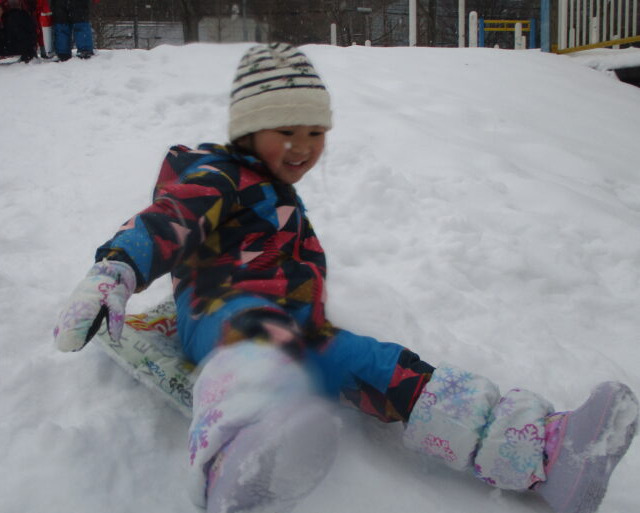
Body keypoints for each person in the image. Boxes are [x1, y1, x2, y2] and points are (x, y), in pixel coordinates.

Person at [53, 43, 638, 513]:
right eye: (287, 130)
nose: (304, 147)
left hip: (301, 335)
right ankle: (235, 454)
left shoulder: (280, 196)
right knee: (256, 337)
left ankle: (543, 452)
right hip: (227, 317)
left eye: (315, 132)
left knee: (395, 371)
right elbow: (167, 222)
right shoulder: (218, 175)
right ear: (248, 128)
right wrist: (118, 268)